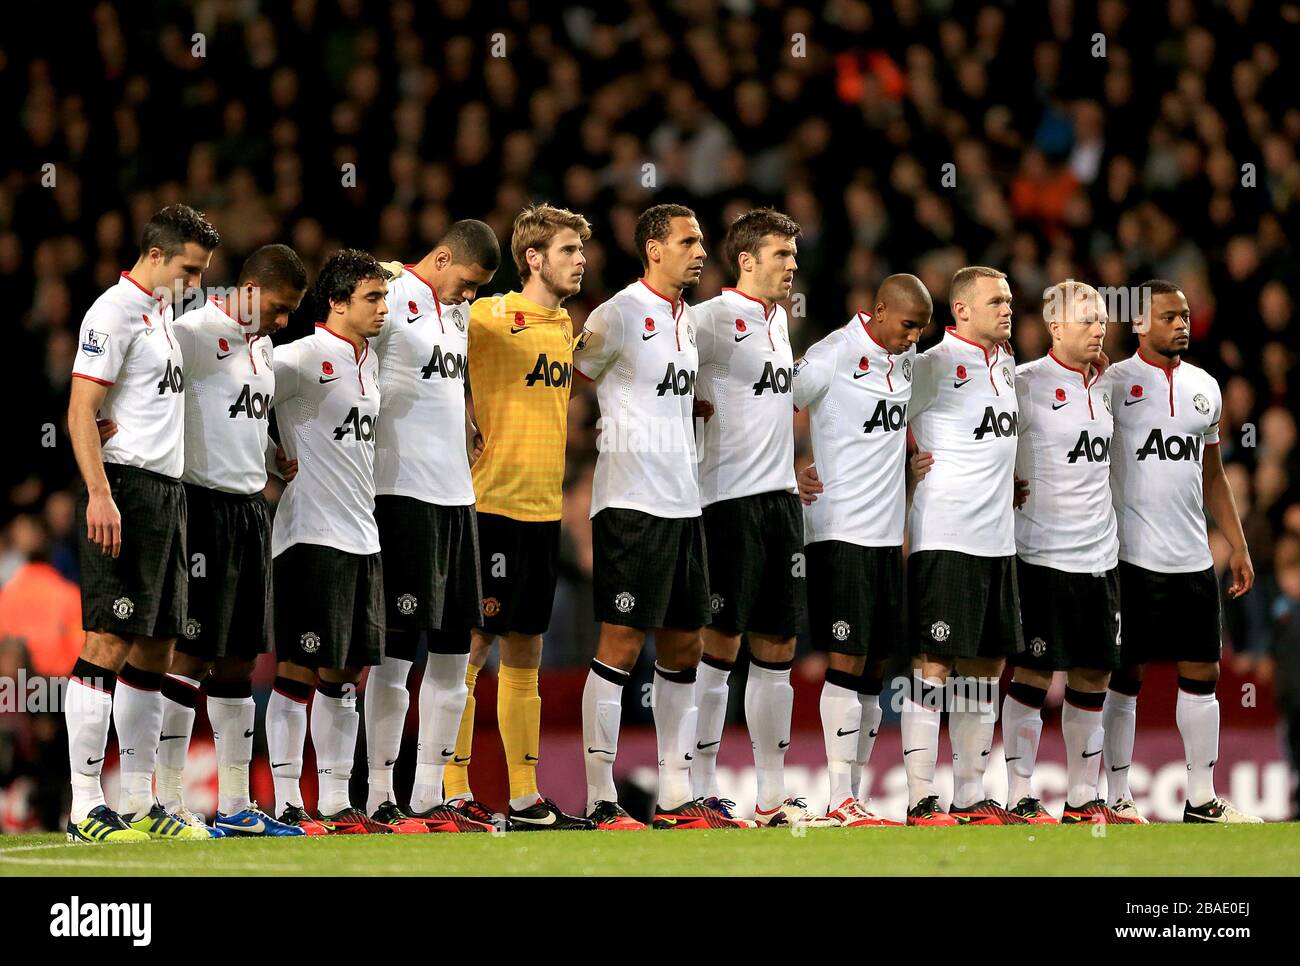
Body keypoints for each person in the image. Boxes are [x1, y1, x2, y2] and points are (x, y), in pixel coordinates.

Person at [575, 203, 742, 830]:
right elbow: (572, 370)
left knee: (684, 643)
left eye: (701, 241)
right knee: (620, 643)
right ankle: (598, 799)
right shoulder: (617, 313)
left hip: (683, 502)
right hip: (630, 503)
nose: (700, 251)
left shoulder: (687, 323)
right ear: (653, 248)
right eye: (687, 241)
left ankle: (675, 797)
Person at [65, 204, 220, 843]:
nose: (195, 283)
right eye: (188, 269)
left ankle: (137, 803)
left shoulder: (161, 314)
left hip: (169, 494)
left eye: (203, 274)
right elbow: (80, 412)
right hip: (125, 489)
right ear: (155, 256)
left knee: (156, 644)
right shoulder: (112, 313)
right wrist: (100, 493)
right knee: (107, 639)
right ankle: (82, 807)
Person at [445, 204, 595, 831]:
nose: (580, 260)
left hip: (542, 512)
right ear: (533, 257)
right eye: (567, 250)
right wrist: (460, 414)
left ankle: (527, 797)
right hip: (491, 508)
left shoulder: (566, 327)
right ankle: (450, 790)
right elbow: (430, 325)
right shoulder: (489, 314)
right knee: (471, 646)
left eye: (581, 250)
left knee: (526, 651)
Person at [151, 244, 308, 837]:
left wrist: (273, 458)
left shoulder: (263, 348)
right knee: (190, 653)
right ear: (250, 289)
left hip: (250, 511)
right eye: (279, 306)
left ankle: (239, 805)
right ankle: (165, 801)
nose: (284, 321)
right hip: (199, 505)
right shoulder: (192, 332)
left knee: (241, 657)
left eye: (293, 311)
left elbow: (243, 416)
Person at [1102, 279, 1261, 823]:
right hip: (1130, 557)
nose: (1181, 325)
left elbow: (1212, 472)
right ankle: (1118, 798)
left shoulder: (1205, 388)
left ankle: (1200, 799)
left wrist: (1236, 545)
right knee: (1126, 675)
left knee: (1204, 673)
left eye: (1186, 316)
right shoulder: (1113, 384)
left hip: (1193, 558)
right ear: (1140, 324)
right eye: (1169, 317)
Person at [690, 208, 826, 827]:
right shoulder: (709, 320)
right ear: (747, 261)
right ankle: (699, 787)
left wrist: (789, 465)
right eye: (781, 256)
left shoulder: (778, 323)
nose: (792, 266)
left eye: (794, 257)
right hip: (726, 503)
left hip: (779, 502)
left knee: (779, 645)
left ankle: (772, 795)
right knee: (719, 642)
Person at [362, 221, 499, 833]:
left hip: (456, 499)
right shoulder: (387, 295)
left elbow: (448, 383)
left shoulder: (458, 316)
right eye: (465, 283)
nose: (467, 296)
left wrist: (467, 420)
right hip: (400, 495)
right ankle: (378, 798)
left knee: (453, 650)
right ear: (441, 258)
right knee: (396, 652)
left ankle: (428, 797)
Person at [265, 250, 395, 835]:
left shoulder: (369, 362)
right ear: (337, 303)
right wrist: (268, 458)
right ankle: (288, 802)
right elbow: (238, 392)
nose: (383, 309)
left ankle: (339, 804)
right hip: (309, 535)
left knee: (345, 672)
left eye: (385, 298)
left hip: (361, 537)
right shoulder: (302, 356)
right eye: (372, 298)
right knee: (296, 668)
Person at [794, 275, 932, 827]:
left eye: (920, 328)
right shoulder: (832, 353)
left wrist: (914, 462)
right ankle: (835, 798)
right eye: (906, 326)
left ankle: (854, 794)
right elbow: (775, 402)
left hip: (884, 538)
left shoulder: (907, 357)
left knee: (875, 668)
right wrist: (788, 471)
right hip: (839, 531)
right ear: (878, 311)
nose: (913, 338)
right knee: (846, 663)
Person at [1001, 280, 1134, 824]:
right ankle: (1018, 795)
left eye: (1102, 317)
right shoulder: (1025, 384)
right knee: (1033, 675)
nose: (1099, 326)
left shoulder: (1110, 387)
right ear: (1055, 327)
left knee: (1094, 676)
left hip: (1100, 561)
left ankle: (1084, 798)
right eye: (1086, 319)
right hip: (1041, 557)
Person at [901, 266, 1027, 826]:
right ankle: (921, 797)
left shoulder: (1009, 368)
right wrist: (904, 462)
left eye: (1010, 301)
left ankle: (972, 796)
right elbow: (873, 417)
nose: (1007, 309)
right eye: (995, 301)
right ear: (962, 312)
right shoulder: (930, 365)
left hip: (998, 541)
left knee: (986, 663)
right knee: (934, 663)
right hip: (946, 536)